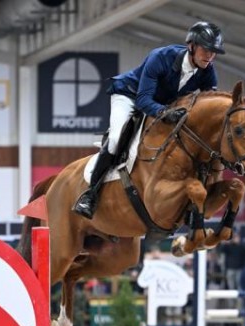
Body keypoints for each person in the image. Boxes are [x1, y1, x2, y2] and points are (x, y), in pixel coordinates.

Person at [73, 21, 226, 219]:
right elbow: (143, 100)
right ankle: (90, 195)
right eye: (206, 50)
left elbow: (208, 104)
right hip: (130, 95)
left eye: (214, 52)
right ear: (191, 46)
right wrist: (165, 112)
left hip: (163, 105)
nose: (210, 56)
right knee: (116, 139)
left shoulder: (208, 71)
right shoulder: (161, 57)